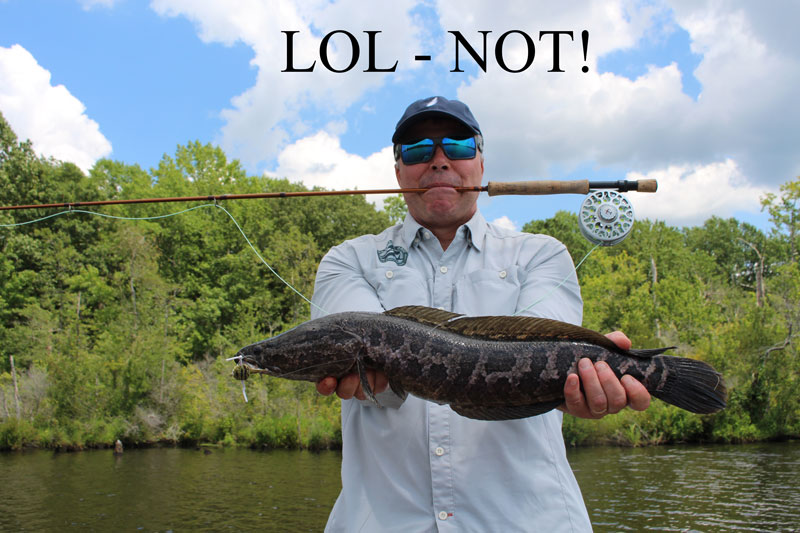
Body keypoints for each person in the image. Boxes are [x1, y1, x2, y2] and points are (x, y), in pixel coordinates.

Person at [311, 96, 650, 532]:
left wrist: (579, 388)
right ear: (398, 173)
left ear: (481, 163)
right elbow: (371, 369)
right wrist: (367, 378)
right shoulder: (348, 260)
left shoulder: (542, 254)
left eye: (457, 146)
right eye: (416, 150)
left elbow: (542, 359)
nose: (438, 160)